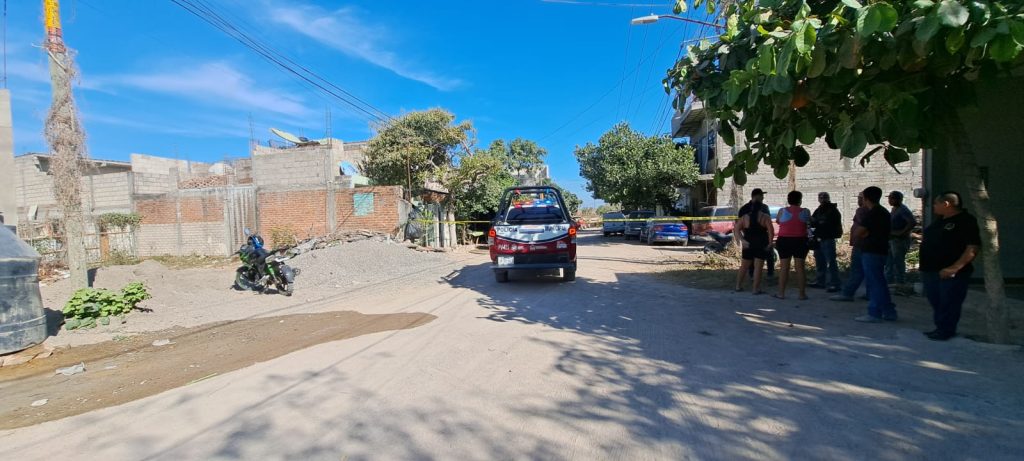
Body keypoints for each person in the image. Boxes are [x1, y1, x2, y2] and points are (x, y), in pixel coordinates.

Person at [919, 192, 981, 341]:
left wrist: (954, 267)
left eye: (936, 203)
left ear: (947, 204)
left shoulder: (965, 221)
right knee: (936, 301)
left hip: (950, 272)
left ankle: (946, 330)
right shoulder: (940, 220)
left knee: (949, 302)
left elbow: (972, 247)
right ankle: (940, 327)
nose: (933, 206)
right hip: (930, 269)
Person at [853, 186, 896, 323]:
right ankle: (889, 311)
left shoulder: (872, 214)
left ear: (866, 198)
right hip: (881, 249)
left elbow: (859, 232)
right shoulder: (883, 212)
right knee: (879, 282)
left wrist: (862, 234)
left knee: (875, 283)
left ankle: (874, 312)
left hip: (871, 251)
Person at [773, 190, 811, 300]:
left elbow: (779, 222)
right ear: (800, 200)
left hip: (784, 240)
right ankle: (802, 294)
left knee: (784, 267)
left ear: (789, 200)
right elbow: (808, 222)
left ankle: (781, 293)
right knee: (800, 268)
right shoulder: (805, 211)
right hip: (801, 241)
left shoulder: (782, 211)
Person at [830, 192, 867, 302]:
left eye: (860, 198)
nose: (858, 200)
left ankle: (848, 293)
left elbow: (863, 226)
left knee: (857, 270)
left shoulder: (863, 211)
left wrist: (858, 235)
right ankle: (869, 293)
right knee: (866, 271)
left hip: (861, 244)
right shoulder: (871, 211)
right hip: (862, 244)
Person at [734, 199, 774, 294]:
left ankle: (738, 286)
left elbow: (736, 230)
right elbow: (771, 232)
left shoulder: (744, 217)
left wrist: (742, 240)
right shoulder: (765, 217)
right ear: (761, 208)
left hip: (748, 244)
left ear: (751, 208)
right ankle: (755, 289)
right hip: (761, 244)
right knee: (758, 267)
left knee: (744, 266)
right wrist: (770, 243)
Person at [809, 192, 843, 292]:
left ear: (828, 198)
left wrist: (817, 222)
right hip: (819, 238)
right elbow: (813, 222)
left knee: (831, 262)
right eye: (820, 197)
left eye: (824, 197)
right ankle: (821, 281)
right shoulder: (819, 210)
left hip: (828, 239)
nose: (822, 199)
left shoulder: (832, 210)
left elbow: (826, 224)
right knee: (820, 261)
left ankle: (835, 283)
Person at [739, 188, 775, 278]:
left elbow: (769, 225)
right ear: (756, 196)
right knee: (750, 258)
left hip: (762, 236)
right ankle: (752, 274)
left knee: (769, 255)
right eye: (762, 196)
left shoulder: (765, 207)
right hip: (751, 237)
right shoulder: (744, 208)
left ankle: (770, 273)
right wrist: (744, 237)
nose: (763, 197)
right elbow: (739, 225)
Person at [886, 191, 916, 287]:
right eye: (889, 198)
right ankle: (889, 281)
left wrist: (901, 232)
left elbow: (912, 222)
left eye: (891, 198)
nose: (889, 200)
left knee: (898, 261)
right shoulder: (895, 209)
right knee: (889, 261)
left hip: (899, 240)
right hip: (892, 239)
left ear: (898, 199)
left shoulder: (903, 210)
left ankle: (900, 281)